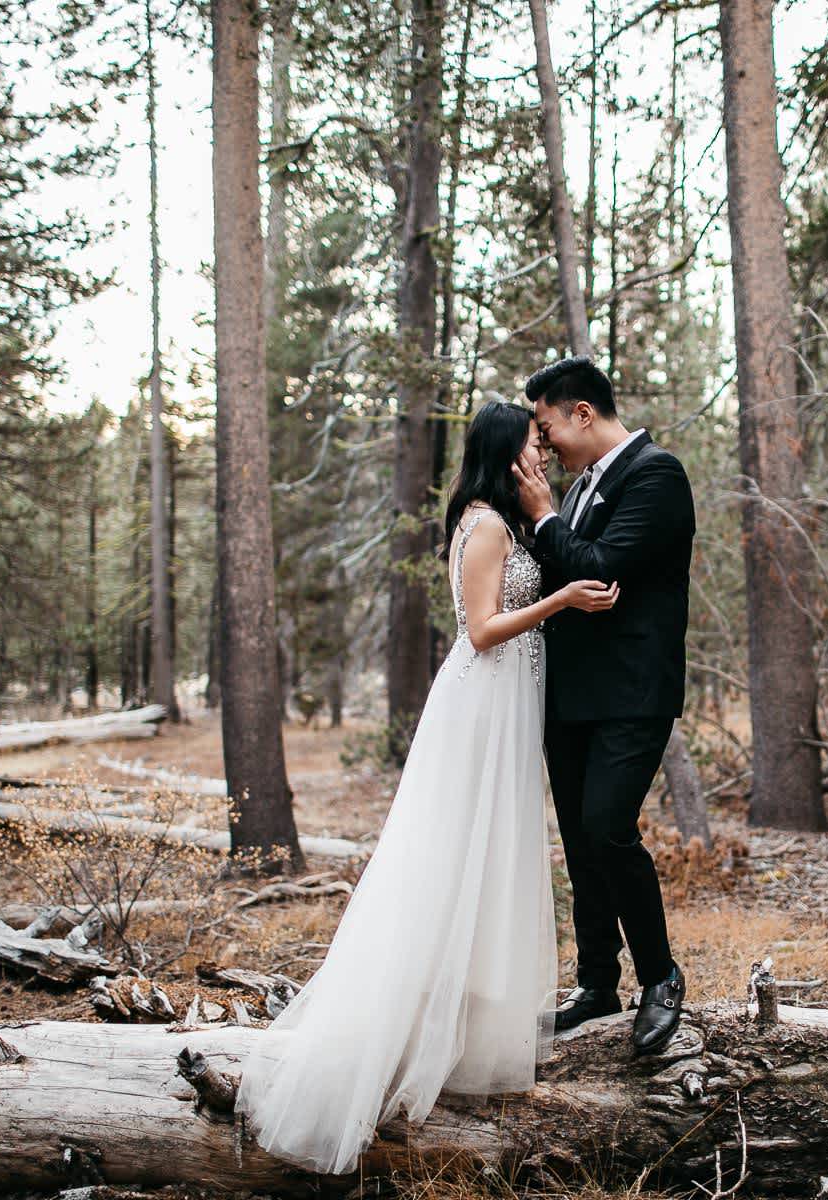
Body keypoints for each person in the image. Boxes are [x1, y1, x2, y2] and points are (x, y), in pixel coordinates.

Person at [233, 400, 619, 1175]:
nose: (539, 456)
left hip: (512, 702)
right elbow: (480, 629)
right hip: (481, 702)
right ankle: (401, 1029)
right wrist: (560, 599)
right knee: (450, 854)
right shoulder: (482, 526)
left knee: (492, 856)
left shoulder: (510, 521)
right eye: (529, 446)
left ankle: (466, 1032)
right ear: (501, 453)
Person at [511, 356, 696, 1056]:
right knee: (583, 844)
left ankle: (661, 976)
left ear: (582, 414)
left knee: (609, 827)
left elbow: (598, 568)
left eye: (548, 424)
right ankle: (597, 985)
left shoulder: (656, 475)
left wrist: (543, 516)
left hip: (631, 694)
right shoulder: (584, 484)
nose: (545, 440)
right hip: (571, 699)